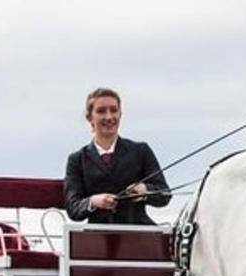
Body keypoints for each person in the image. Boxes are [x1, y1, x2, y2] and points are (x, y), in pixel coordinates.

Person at [64, 87, 171, 225]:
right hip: (96, 239)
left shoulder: (141, 151)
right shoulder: (77, 160)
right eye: (101, 111)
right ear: (90, 118)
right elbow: (73, 208)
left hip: (139, 236)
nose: (109, 117)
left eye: (114, 110)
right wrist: (94, 201)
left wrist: (145, 190)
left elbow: (165, 195)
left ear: (120, 114)